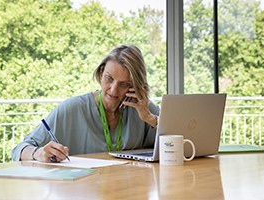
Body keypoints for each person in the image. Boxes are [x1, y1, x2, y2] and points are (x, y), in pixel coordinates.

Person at [11, 45, 160, 162]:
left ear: (134, 85)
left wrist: (150, 119)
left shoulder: (143, 108)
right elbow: (19, 149)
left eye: (124, 84)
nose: (113, 90)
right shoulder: (72, 109)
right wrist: (38, 153)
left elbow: (181, 143)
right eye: (109, 78)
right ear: (101, 73)